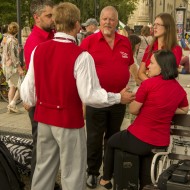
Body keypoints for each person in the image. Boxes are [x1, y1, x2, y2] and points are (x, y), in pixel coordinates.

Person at [20, 2, 134, 190]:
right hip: (68, 121)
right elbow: (89, 95)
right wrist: (117, 98)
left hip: (44, 119)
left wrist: (36, 102)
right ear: (76, 25)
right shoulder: (81, 56)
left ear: (56, 23)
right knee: (72, 174)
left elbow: (27, 93)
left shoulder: (38, 51)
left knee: (43, 170)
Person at [99, 50, 189, 190]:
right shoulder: (179, 89)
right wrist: (166, 109)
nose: (148, 66)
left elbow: (134, 110)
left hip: (139, 138)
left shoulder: (148, 84)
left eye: (152, 63)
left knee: (111, 141)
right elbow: (184, 109)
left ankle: (105, 180)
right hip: (160, 144)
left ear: (162, 66)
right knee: (147, 164)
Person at [80, 6, 135, 188]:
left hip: (119, 100)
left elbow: (130, 66)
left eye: (112, 19)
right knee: (94, 139)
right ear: (100, 20)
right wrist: (82, 101)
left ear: (116, 22)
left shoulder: (125, 42)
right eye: (105, 19)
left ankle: (108, 173)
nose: (108, 23)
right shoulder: (89, 42)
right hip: (96, 100)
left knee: (113, 138)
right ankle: (92, 172)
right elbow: (79, 72)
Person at [23, 0, 55, 187]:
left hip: (51, 101)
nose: (53, 19)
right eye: (48, 16)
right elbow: (35, 77)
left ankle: (47, 181)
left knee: (49, 146)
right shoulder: (34, 42)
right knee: (41, 147)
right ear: (37, 18)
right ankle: (37, 182)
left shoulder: (53, 35)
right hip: (40, 102)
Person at [138, 13, 182, 81]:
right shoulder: (150, 47)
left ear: (167, 27)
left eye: (158, 24)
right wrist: (151, 83)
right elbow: (140, 73)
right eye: (154, 24)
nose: (154, 27)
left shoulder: (175, 49)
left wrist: (148, 73)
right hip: (149, 87)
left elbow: (169, 75)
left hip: (164, 89)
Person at [1, 22, 24, 113]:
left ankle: (10, 106)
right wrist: (19, 68)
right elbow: (14, 57)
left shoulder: (4, 39)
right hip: (12, 67)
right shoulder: (13, 41)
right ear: (17, 31)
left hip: (5, 66)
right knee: (21, 85)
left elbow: (3, 52)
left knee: (12, 86)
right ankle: (12, 104)